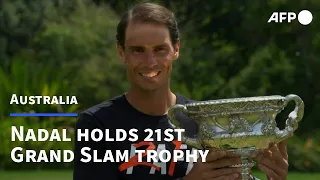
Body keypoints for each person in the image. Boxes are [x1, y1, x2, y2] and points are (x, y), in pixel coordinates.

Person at [73, 2, 288, 180]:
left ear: (176, 49)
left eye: (160, 49)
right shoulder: (97, 124)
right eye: (138, 50)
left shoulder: (206, 121)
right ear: (121, 53)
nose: (150, 62)